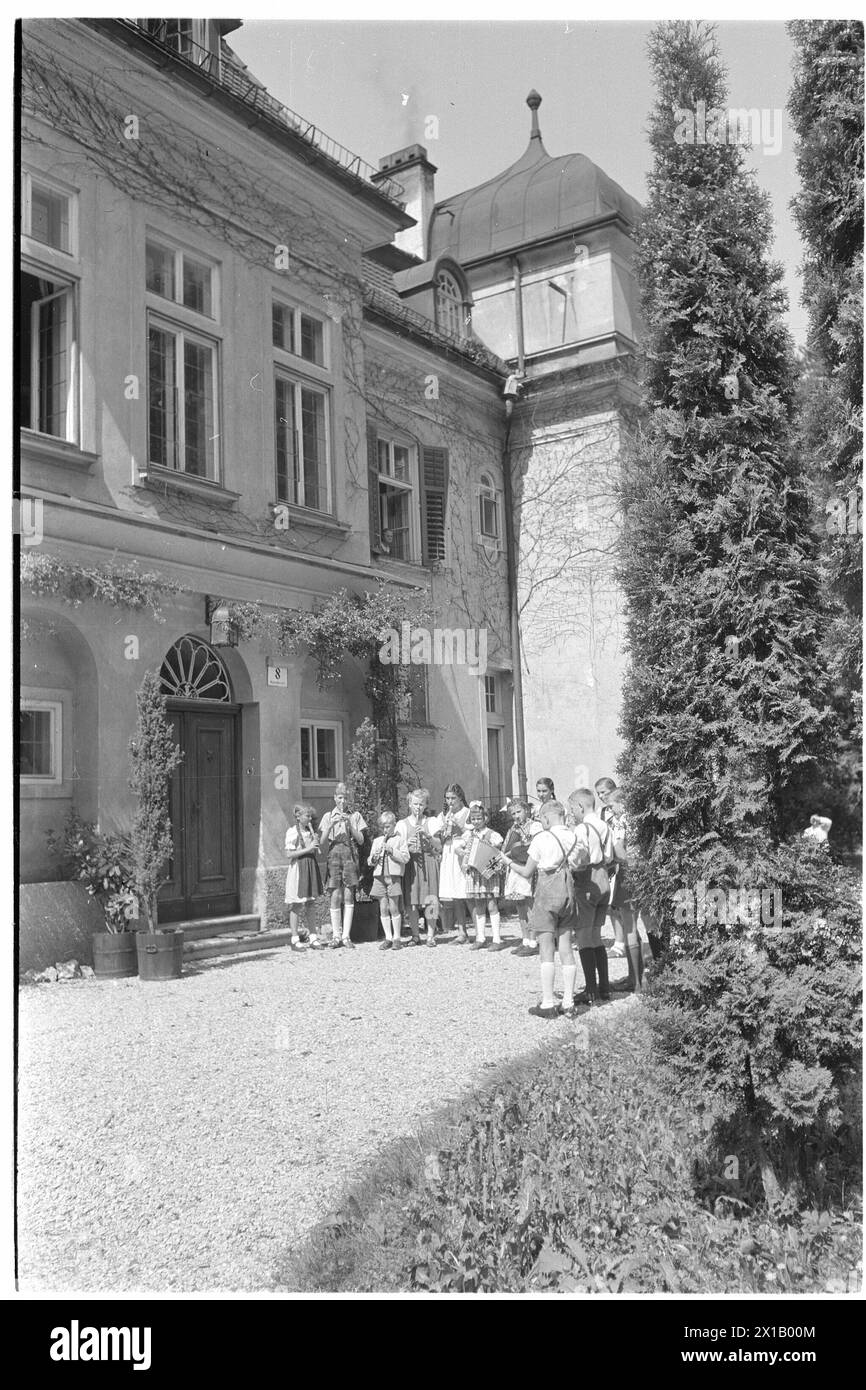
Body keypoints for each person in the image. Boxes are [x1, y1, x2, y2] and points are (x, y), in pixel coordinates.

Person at [499, 799, 588, 1018]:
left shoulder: (542, 838)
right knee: (566, 946)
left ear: (547, 817)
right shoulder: (575, 836)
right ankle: (568, 1002)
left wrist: (506, 861)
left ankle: (548, 1002)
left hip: (547, 890)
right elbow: (581, 863)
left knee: (546, 947)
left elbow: (528, 871)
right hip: (567, 890)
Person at [567, 787, 616, 1004]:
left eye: (572, 808)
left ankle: (590, 990)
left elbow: (580, 860)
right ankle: (604, 987)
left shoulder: (582, 829)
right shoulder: (605, 825)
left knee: (584, 937)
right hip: (604, 878)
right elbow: (610, 854)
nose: (572, 813)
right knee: (596, 934)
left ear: (580, 806)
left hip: (588, 880)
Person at [318, 782, 367, 949]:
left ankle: (346, 936)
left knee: (348, 895)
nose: (343, 801)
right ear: (334, 798)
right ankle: (336, 935)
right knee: (335, 895)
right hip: (334, 855)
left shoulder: (355, 815)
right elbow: (321, 842)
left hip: (350, 854)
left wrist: (351, 825)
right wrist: (331, 824)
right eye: (340, 798)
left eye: (345, 798)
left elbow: (361, 840)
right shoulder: (327, 816)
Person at [605, 790, 643, 992]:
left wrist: (611, 853)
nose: (610, 809)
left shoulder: (622, 822)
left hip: (628, 873)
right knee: (639, 925)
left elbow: (619, 850)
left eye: (612, 805)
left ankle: (635, 981)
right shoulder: (637, 819)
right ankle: (635, 977)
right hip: (639, 871)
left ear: (621, 803)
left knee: (629, 926)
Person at [457, 801, 505, 950]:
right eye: (473, 819)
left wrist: (491, 847)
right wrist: (463, 852)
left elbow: (498, 846)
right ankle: (480, 937)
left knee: (491, 905)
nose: (476, 821)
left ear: (485, 818)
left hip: (488, 874)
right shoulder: (469, 835)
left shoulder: (491, 834)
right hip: (475, 874)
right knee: (479, 906)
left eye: (479, 818)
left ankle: (497, 939)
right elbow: (458, 847)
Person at [397, 788, 441, 947]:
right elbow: (398, 848)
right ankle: (416, 935)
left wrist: (428, 836)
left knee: (432, 900)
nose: (418, 807)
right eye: (415, 804)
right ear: (409, 804)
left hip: (428, 861)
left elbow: (439, 846)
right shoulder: (402, 824)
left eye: (421, 804)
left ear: (425, 805)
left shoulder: (432, 821)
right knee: (412, 901)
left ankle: (430, 935)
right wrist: (407, 844)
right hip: (411, 863)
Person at [429, 783, 471, 943]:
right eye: (447, 798)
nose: (450, 801)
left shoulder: (466, 812)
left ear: (460, 797)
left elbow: (472, 830)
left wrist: (458, 826)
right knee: (455, 894)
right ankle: (462, 932)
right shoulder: (444, 815)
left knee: (465, 892)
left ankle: (478, 931)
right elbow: (439, 838)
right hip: (448, 851)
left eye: (453, 798)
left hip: (461, 850)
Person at [369, 810, 410, 950]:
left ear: (394, 825)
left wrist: (392, 851)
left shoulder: (399, 840)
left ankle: (397, 938)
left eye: (388, 826)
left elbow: (405, 858)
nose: (385, 830)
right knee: (383, 907)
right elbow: (370, 862)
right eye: (383, 827)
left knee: (394, 906)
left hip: (393, 877)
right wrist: (374, 857)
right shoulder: (377, 841)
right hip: (379, 877)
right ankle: (388, 937)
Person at [284, 803, 324, 949]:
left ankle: (313, 937)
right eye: (307, 816)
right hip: (298, 869)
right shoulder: (292, 832)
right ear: (298, 817)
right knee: (296, 904)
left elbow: (312, 851)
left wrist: (315, 845)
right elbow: (289, 854)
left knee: (311, 903)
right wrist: (308, 848)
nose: (309, 818)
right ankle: (295, 939)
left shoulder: (309, 831)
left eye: (310, 816)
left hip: (310, 867)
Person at [594, 775, 626, 960]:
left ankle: (627, 941)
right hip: (608, 861)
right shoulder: (601, 812)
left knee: (622, 905)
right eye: (598, 794)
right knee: (612, 905)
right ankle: (618, 941)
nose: (601, 797)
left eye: (604, 793)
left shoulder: (621, 810)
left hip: (621, 857)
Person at [502, 798, 538, 957]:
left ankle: (533, 941)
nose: (516, 816)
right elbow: (507, 848)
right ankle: (524, 940)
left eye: (518, 812)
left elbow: (535, 846)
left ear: (526, 811)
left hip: (528, 867)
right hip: (515, 868)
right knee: (520, 906)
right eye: (513, 813)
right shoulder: (512, 829)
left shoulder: (535, 826)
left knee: (530, 906)